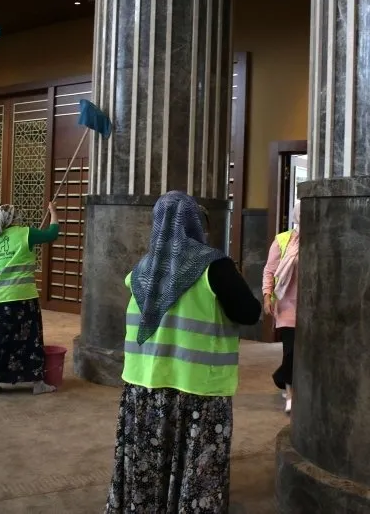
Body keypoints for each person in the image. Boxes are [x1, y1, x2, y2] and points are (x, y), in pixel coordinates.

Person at [105, 191, 261, 514]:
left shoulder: (139, 273)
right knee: (197, 475)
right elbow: (249, 312)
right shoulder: (214, 267)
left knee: (148, 468)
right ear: (195, 224)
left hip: (144, 392)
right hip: (199, 394)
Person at [0, 202, 60, 396]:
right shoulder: (26, 233)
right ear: (12, 219)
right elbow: (52, 234)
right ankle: (37, 383)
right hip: (23, 298)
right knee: (29, 340)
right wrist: (53, 213)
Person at [262, 204, 301, 414]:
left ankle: (284, 378)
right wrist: (267, 295)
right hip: (287, 305)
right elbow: (269, 271)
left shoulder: (322, 239)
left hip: (312, 306)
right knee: (291, 352)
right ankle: (291, 398)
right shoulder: (283, 239)